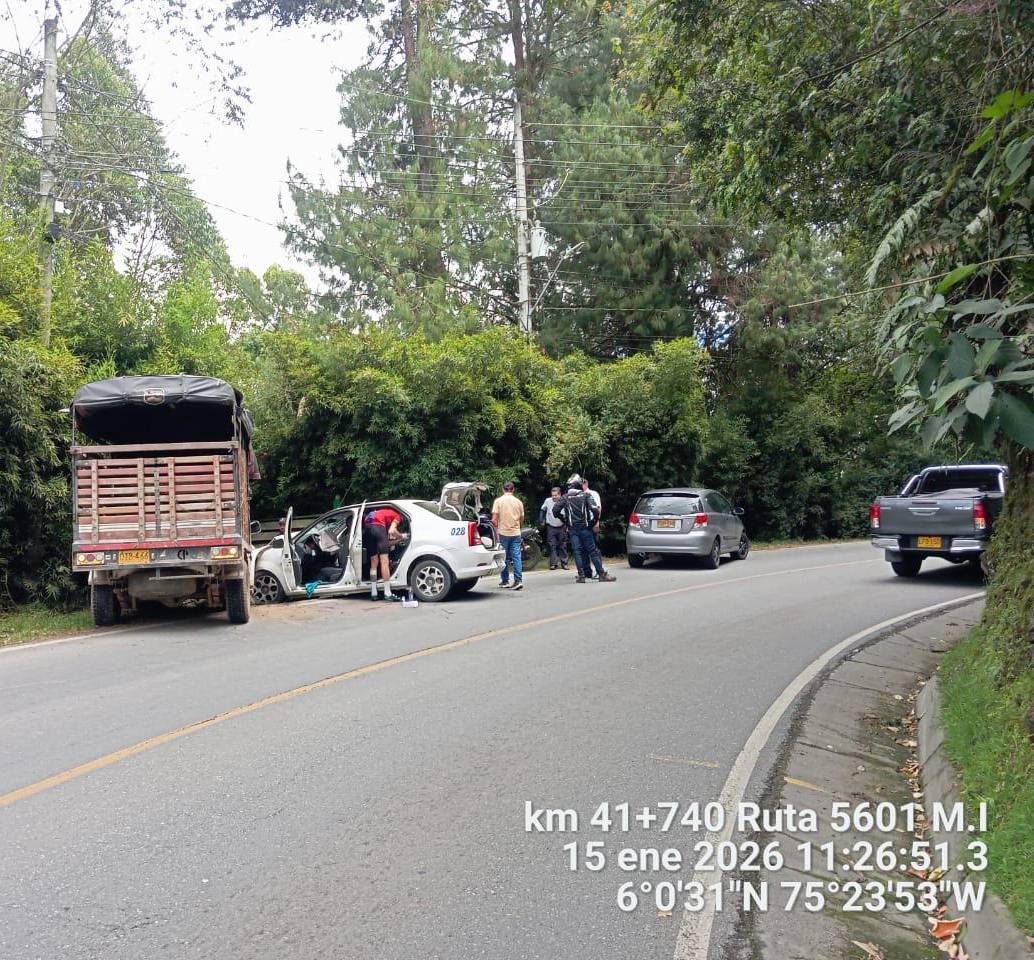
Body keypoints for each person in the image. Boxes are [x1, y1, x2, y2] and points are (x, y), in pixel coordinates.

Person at [553, 477, 615, 583]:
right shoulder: (585, 495)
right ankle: (601, 574)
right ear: (578, 485)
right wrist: (593, 522)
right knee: (593, 551)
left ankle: (581, 576)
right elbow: (595, 510)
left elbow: (555, 510)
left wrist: (565, 520)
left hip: (572, 529)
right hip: (585, 528)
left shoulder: (565, 497)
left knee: (578, 552)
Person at [364, 505, 404, 601]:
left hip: (368, 530)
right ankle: (387, 593)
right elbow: (392, 530)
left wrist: (396, 541)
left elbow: (386, 542)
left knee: (373, 563)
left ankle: (374, 593)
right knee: (384, 562)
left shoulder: (375, 513)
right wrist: (401, 536)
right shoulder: (398, 516)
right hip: (379, 529)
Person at [492, 480, 525, 591]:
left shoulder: (498, 501)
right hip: (516, 533)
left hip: (503, 533)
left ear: (503, 489)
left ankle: (505, 581)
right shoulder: (518, 502)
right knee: (516, 557)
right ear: (513, 489)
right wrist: (518, 527)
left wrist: (495, 530)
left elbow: (494, 519)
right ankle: (518, 581)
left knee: (503, 558)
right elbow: (521, 518)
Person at [538, 486, 569, 570]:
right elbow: (542, 510)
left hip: (562, 526)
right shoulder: (548, 501)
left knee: (563, 545)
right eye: (553, 495)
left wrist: (568, 525)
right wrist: (541, 520)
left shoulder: (564, 501)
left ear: (560, 495)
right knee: (552, 546)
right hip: (551, 526)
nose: (554, 497)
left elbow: (568, 513)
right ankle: (553, 564)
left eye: (555, 495)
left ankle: (564, 563)